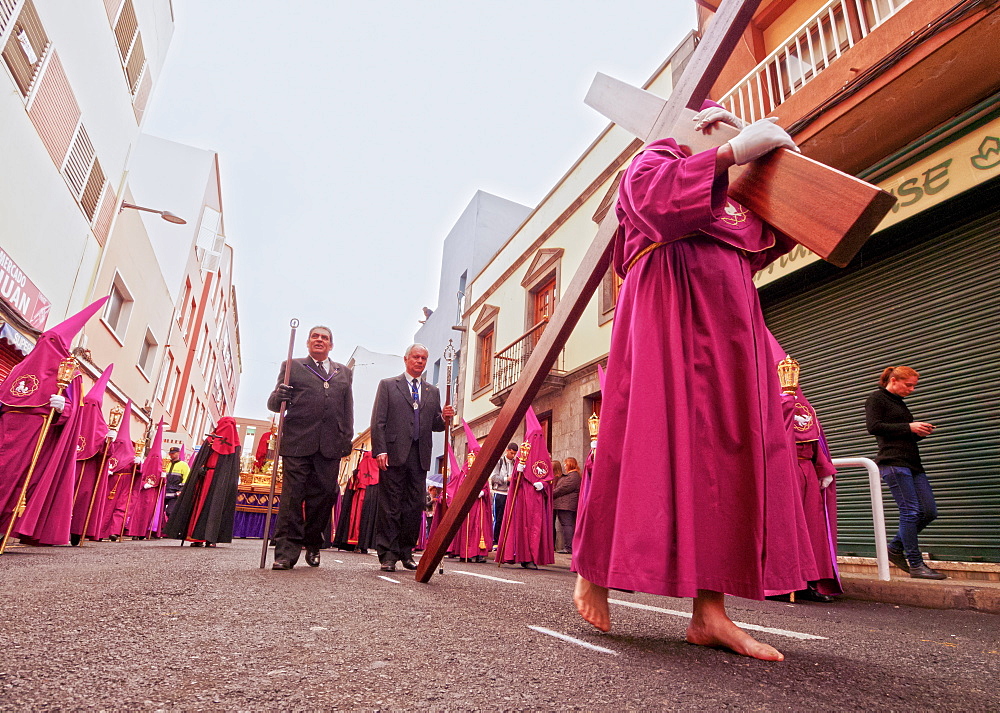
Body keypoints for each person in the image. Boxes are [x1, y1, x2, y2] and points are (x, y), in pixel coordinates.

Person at [572, 105, 820, 662]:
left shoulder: (739, 195)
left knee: (727, 458)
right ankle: (595, 572)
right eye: (713, 124)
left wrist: (784, 170)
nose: (723, 131)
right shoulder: (655, 159)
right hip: (666, 311)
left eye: (731, 127)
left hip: (732, 326)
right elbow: (655, 206)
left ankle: (710, 614)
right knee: (642, 442)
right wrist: (730, 152)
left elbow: (770, 242)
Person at [267, 326, 354, 570]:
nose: (319, 340)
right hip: (297, 442)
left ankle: (313, 542)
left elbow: (348, 408)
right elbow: (274, 405)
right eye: (315, 336)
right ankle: (286, 552)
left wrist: (346, 438)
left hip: (330, 445)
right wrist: (279, 394)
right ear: (307, 342)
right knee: (292, 498)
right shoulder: (292, 366)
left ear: (331, 345)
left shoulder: (343, 372)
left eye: (324, 337)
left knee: (325, 496)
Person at [370, 344, 454, 572]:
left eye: (424, 358)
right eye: (416, 357)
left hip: (419, 456)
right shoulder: (388, 385)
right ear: (406, 359)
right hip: (394, 454)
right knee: (390, 506)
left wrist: (445, 416)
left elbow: (436, 425)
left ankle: (406, 552)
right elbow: (378, 420)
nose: (420, 361)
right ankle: (387, 554)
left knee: (413, 506)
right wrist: (380, 450)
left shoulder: (431, 391)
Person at [865, 365, 945, 580]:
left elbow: (900, 432)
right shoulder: (877, 398)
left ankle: (894, 547)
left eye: (914, 386)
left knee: (929, 512)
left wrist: (919, 432)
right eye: (908, 385)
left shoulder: (900, 403)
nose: (912, 389)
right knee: (910, 512)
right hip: (893, 462)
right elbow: (874, 427)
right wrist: (909, 427)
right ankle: (916, 564)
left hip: (912, 463)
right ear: (893, 379)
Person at [163, 419, 242, 547]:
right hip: (206, 477)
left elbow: (232, 468)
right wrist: (200, 469)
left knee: (215, 507)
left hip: (220, 481)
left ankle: (211, 538)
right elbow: (201, 458)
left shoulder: (233, 444)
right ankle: (196, 536)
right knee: (199, 505)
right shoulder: (211, 440)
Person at [495, 408, 554, 570]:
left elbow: (550, 477)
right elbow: (514, 480)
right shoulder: (522, 455)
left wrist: (544, 484)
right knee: (522, 527)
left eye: (539, 436)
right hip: (522, 498)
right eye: (534, 436)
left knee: (536, 528)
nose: (537, 439)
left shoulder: (545, 457)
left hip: (536, 498)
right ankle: (522, 555)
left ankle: (534, 557)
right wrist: (519, 470)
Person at [490, 443, 518, 544]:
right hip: (500, 493)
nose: (513, 455)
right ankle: (495, 540)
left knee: (510, 518)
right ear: (507, 450)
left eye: (514, 454)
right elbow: (493, 477)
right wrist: (507, 479)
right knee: (498, 518)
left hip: (511, 493)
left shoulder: (516, 463)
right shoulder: (499, 461)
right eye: (511, 453)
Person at [553, 457, 581, 555]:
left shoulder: (573, 476)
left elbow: (563, 488)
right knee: (567, 525)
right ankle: (568, 546)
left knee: (567, 525)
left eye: (566, 464)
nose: (564, 466)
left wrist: (551, 493)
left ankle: (568, 547)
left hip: (566, 505)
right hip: (565, 504)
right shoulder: (572, 476)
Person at [163, 447, 191, 521]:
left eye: (173, 453)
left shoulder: (183, 465)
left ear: (178, 453)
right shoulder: (166, 463)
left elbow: (186, 478)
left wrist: (181, 490)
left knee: (170, 512)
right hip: (165, 490)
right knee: (159, 511)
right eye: (170, 453)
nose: (171, 455)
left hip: (175, 492)